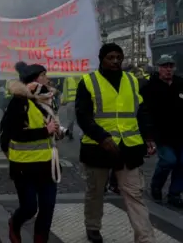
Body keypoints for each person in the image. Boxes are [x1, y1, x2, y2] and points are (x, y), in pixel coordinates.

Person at [77, 43, 156, 243]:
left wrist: (148, 136)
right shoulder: (88, 81)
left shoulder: (132, 80)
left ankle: (145, 238)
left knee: (134, 194)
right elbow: (83, 116)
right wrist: (102, 137)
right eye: (110, 57)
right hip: (98, 147)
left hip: (129, 147)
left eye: (118, 57)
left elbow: (142, 111)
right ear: (101, 59)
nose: (115, 61)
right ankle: (93, 226)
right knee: (95, 192)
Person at [1, 62, 63, 243]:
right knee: (29, 208)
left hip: (48, 164)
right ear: (35, 79)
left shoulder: (47, 100)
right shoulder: (18, 102)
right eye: (44, 75)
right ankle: (14, 222)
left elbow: (50, 127)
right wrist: (46, 131)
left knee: (47, 208)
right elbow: (16, 133)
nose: (48, 79)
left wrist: (57, 131)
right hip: (24, 166)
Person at [141, 54, 183, 207]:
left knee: (182, 163)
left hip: (180, 133)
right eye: (165, 66)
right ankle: (156, 185)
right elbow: (145, 112)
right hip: (162, 134)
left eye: (171, 66)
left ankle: (175, 193)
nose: (168, 69)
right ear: (159, 68)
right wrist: (149, 136)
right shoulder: (150, 87)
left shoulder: (180, 83)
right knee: (169, 161)